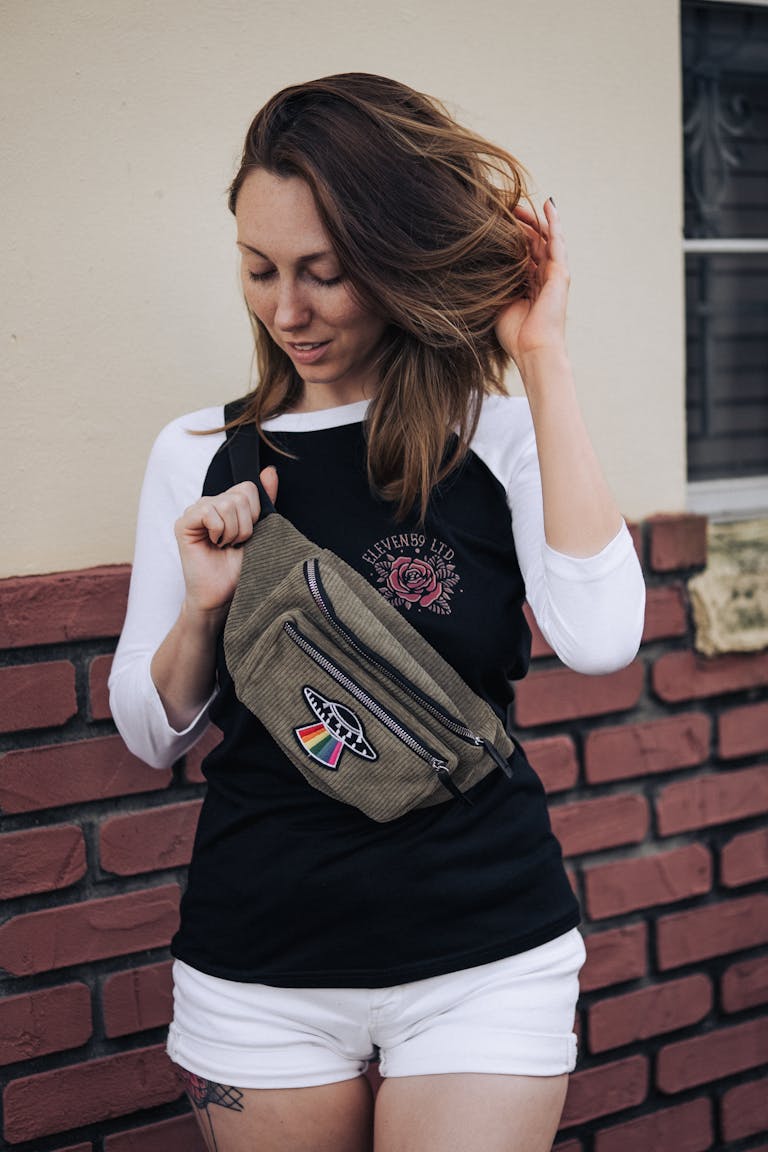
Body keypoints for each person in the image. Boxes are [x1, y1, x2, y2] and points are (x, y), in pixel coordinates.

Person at [109, 73, 645, 1152]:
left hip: (484, 954)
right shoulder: (196, 454)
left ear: (397, 262)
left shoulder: (495, 435)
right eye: (260, 271)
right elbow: (149, 731)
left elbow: (601, 639)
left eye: (325, 273)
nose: (286, 310)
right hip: (260, 965)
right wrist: (204, 610)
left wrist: (541, 358)